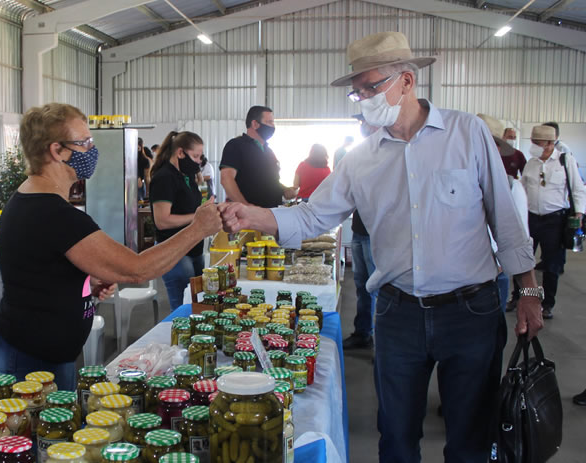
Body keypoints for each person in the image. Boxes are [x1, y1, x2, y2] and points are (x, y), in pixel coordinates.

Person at [217, 31, 544, 462]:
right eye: (358, 92)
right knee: (396, 437)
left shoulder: (466, 133)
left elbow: (504, 218)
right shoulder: (361, 158)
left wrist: (529, 291)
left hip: (471, 312)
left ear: (406, 81)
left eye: (371, 86)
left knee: (470, 438)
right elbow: (314, 216)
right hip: (398, 313)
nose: (363, 96)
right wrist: (253, 216)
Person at [0, 104, 222, 390]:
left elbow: (41, 271)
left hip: (42, 348)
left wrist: (87, 281)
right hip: (35, 356)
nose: (92, 149)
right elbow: (138, 270)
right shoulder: (54, 214)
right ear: (56, 151)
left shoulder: (31, 199)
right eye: (84, 142)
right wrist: (198, 228)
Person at [509, 125, 586, 320]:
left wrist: (579, 213)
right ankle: (519, 298)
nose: (533, 146)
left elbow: (578, 189)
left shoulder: (565, 161)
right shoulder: (531, 163)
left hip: (555, 220)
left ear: (551, 144)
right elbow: (523, 188)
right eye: (533, 142)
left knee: (551, 265)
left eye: (538, 143)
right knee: (524, 262)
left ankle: (546, 304)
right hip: (531, 219)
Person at [477, 114, 530, 313]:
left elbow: (519, 237)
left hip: (491, 276)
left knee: (489, 338)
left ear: (496, 148)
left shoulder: (511, 186)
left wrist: (529, 295)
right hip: (457, 279)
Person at [148, 131, 207, 310]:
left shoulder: (187, 176)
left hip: (194, 247)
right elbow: (162, 221)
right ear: (180, 153)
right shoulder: (164, 178)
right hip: (175, 251)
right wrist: (198, 218)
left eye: (200, 157)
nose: (198, 161)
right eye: (195, 156)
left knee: (199, 304)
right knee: (183, 308)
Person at [344, 116, 379, 350]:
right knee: (361, 284)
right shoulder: (361, 154)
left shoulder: (390, 155)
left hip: (376, 234)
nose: (362, 127)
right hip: (359, 229)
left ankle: (381, 339)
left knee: (377, 287)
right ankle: (363, 331)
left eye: (365, 122)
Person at [219, 106, 298, 207]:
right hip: (248, 217)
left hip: (271, 213)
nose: (273, 126)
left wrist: (284, 190)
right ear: (255, 124)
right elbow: (226, 178)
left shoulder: (268, 150)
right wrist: (245, 207)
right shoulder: (236, 145)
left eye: (273, 122)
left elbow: (269, 179)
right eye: (269, 122)